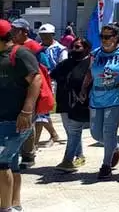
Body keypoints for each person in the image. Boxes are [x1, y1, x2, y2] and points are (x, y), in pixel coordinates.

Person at [0, 19, 40, 212]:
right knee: (11, 163)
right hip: (2, 118)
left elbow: (36, 79)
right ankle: (15, 203)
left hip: (17, 119)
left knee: (1, 162)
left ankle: (5, 207)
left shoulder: (20, 54)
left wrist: (26, 110)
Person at [86, 23, 119, 180]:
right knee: (95, 133)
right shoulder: (95, 54)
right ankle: (117, 147)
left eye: (108, 37)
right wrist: (82, 89)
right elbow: (89, 73)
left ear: (116, 37)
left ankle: (106, 165)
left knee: (109, 130)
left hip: (118, 96)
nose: (104, 40)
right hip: (97, 96)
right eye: (102, 37)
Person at [50, 37, 91, 173]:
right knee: (71, 132)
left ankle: (68, 160)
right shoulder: (65, 63)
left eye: (78, 47)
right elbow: (53, 75)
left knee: (74, 131)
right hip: (64, 101)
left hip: (80, 103)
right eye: (73, 46)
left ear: (86, 48)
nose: (75, 49)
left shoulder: (90, 64)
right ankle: (79, 155)